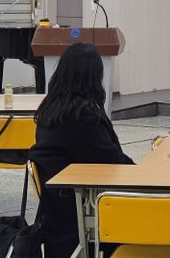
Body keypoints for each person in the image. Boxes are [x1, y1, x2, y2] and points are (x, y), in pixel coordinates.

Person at [29, 43, 134, 258]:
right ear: (93, 77)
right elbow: (112, 164)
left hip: (57, 210)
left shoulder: (51, 109)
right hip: (81, 208)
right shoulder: (81, 117)